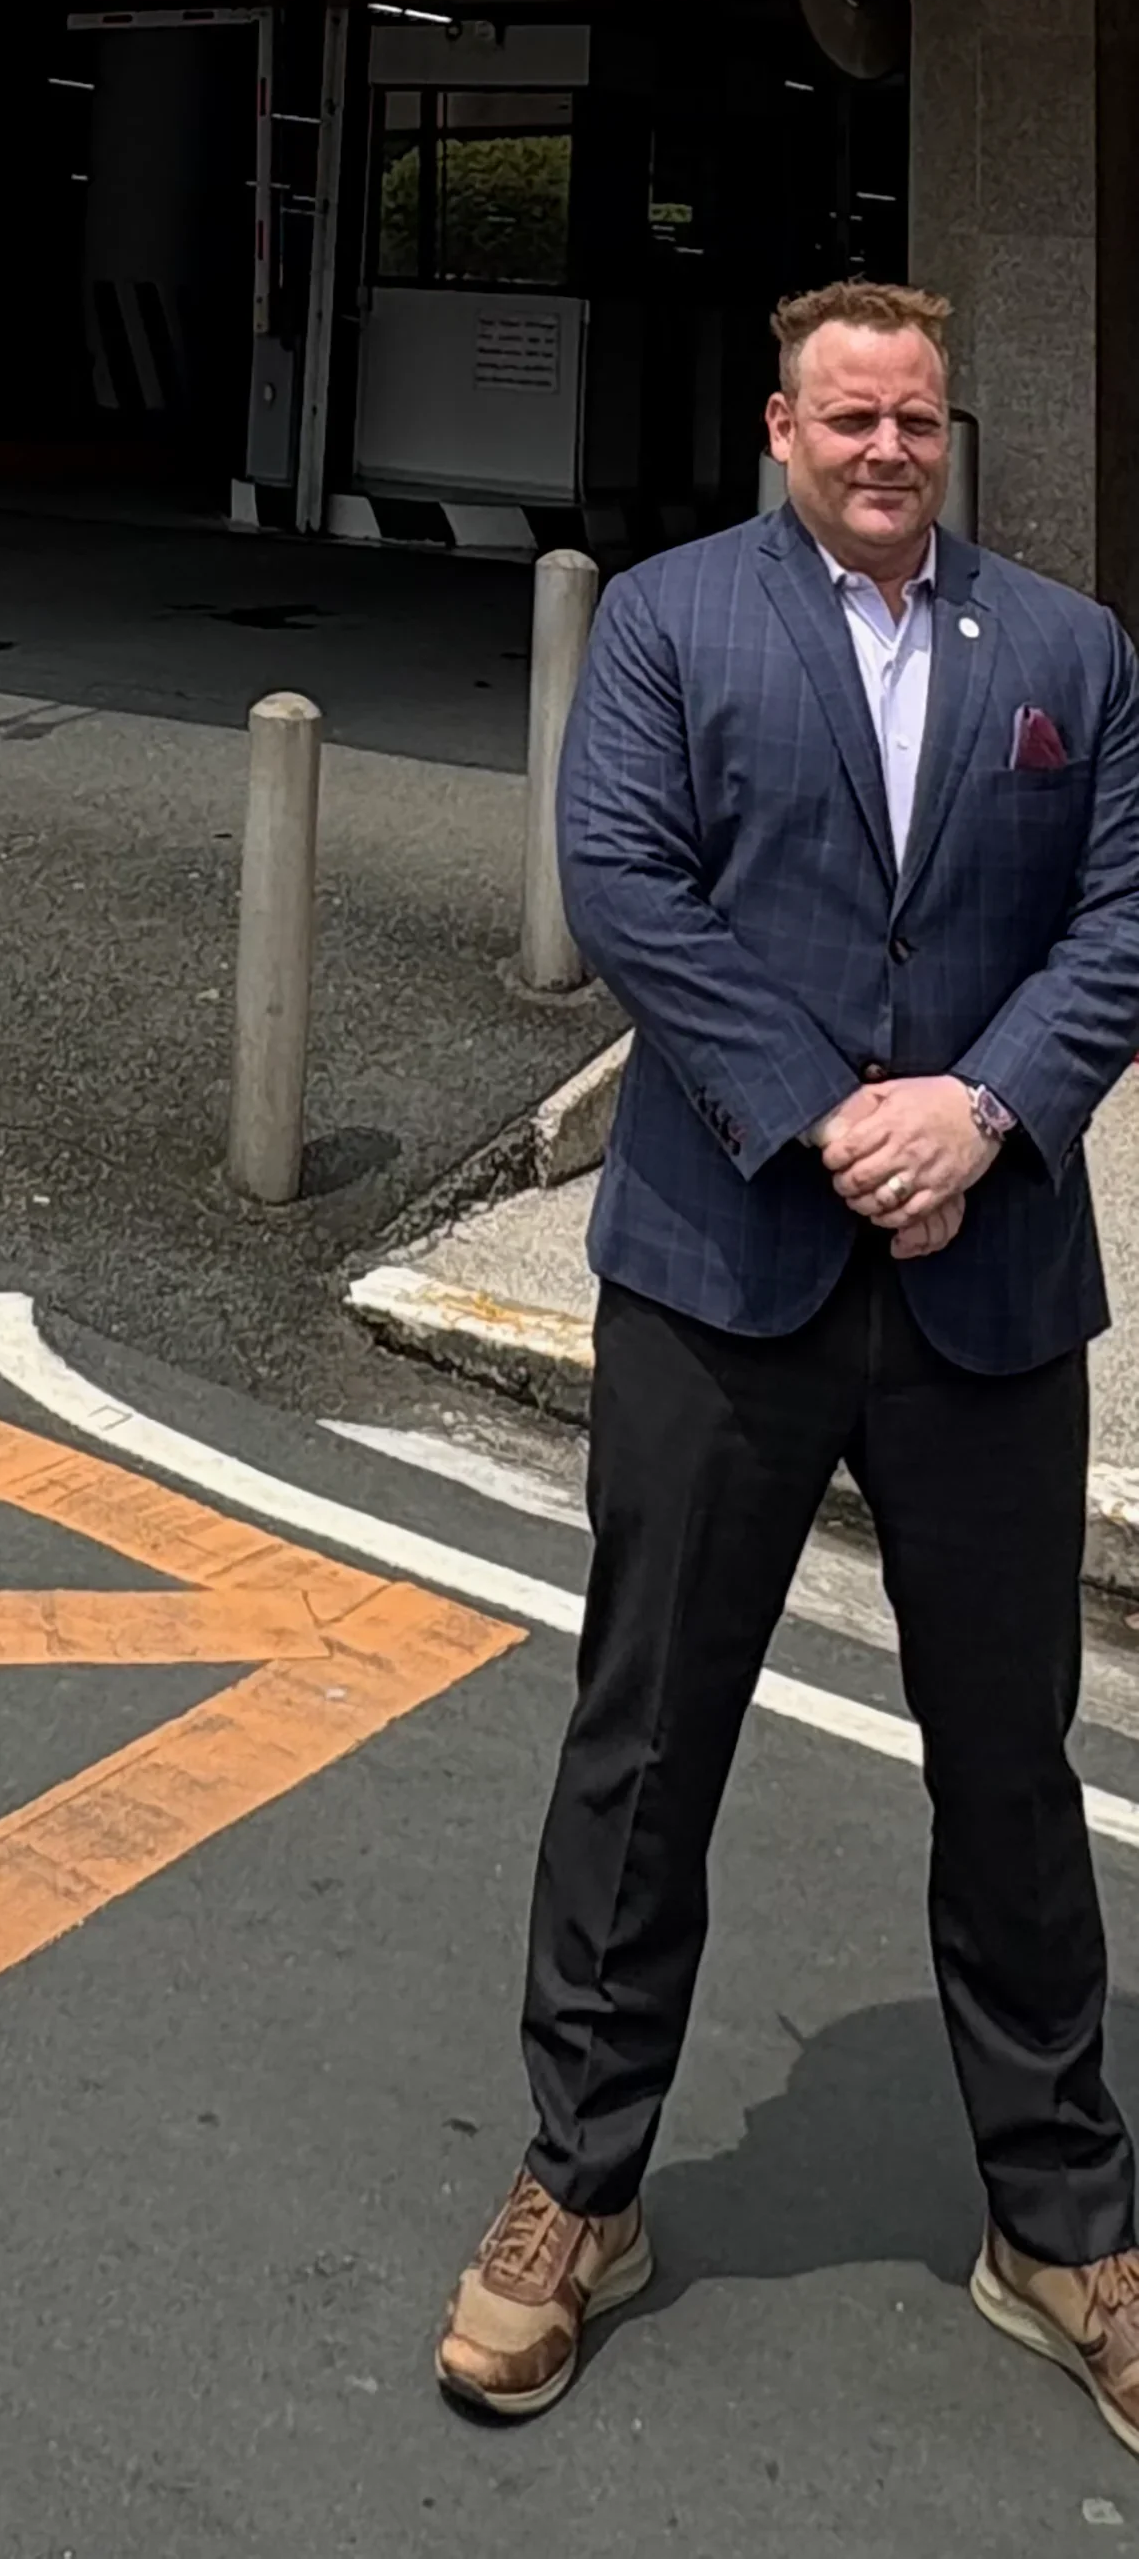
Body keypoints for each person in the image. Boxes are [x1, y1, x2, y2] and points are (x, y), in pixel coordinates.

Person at [437, 280, 1139, 2446]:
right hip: (720, 1264)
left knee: (1011, 1766)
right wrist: (842, 1110)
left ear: (950, 429)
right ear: (775, 424)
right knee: (643, 1741)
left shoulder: (1065, 653)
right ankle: (582, 2180)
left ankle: (1055, 2223)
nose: (882, 447)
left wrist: (983, 1108)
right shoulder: (662, 621)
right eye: (846, 414)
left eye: (915, 415)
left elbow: (1115, 913)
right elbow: (625, 878)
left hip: (985, 1277)